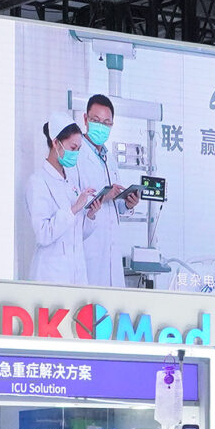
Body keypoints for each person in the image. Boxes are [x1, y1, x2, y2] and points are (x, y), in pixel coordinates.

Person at [72, 95, 140, 288]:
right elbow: (72, 200)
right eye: (96, 120)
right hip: (88, 247)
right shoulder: (76, 155)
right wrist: (103, 197)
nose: (101, 127)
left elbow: (116, 205)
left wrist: (127, 203)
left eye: (106, 123)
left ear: (112, 125)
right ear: (85, 119)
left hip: (110, 250)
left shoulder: (109, 159)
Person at [26, 123, 100, 285]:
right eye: (73, 148)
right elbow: (43, 234)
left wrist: (90, 215)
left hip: (76, 272)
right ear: (55, 142)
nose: (75, 154)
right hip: (51, 274)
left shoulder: (71, 182)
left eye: (78, 149)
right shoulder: (38, 181)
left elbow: (76, 234)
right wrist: (74, 209)